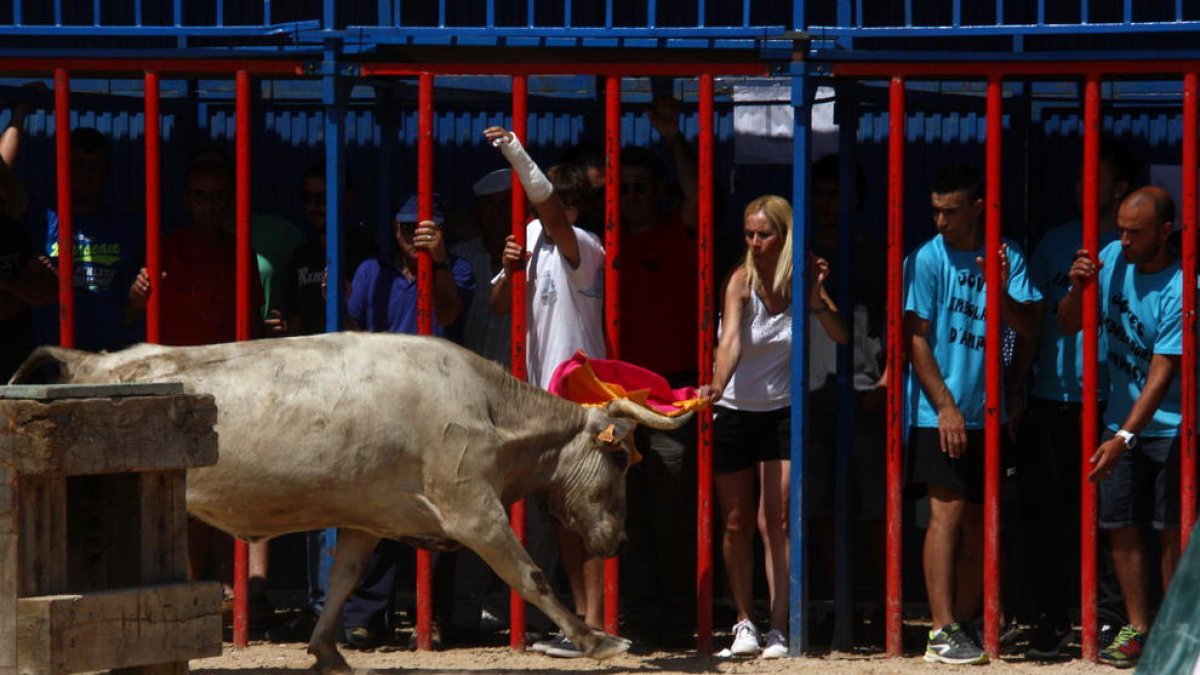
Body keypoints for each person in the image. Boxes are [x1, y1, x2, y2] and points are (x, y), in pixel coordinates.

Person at [904, 163, 1041, 665]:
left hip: (991, 413)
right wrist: (944, 408)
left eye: (951, 211)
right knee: (947, 514)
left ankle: (964, 624)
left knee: (985, 522)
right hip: (940, 413)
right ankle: (940, 630)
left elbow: (1028, 330)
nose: (940, 221)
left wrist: (998, 287)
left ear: (978, 208)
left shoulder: (1007, 258)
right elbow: (915, 339)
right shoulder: (926, 259)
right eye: (935, 211)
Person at [487, 126, 606, 658]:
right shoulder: (533, 240)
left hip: (582, 401)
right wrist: (509, 272)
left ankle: (596, 622)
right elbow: (497, 308)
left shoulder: (584, 245)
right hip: (540, 402)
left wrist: (514, 149)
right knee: (560, 515)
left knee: (590, 514)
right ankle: (578, 625)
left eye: (548, 205)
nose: (537, 215)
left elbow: (551, 214)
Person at [1015, 140, 1138, 659]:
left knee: (1112, 519)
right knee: (1048, 516)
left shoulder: (1133, 249)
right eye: (1078, 178)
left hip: (1110, 402)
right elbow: (1042, 325)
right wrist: (1017, 390)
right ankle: (1050, 617)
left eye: (1096, 178)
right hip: (1051, 396)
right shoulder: (1054, 243)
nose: (1082, 188)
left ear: (1119, 188)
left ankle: (1108, 621)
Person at [1057, 186, 1184, 669]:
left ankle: (1176, 629)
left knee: (1171, 530)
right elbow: (1067, 325)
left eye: (1136, 232)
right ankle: (1138, 628)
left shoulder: (1180, 284)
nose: (1124, 240)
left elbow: (1162, 372)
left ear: (1165, 232)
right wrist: (1077, 289)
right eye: (1122, 230)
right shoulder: (1110, 257)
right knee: (1121, 527)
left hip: (1172, 426)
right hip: (1119, 422)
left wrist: (1124, 437)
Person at [340, 197, 473, 648]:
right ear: (393, 231)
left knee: (438, 516)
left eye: (424, 229)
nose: (411, 236)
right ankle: (366, 617)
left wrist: (435, 262)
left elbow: (450, 313)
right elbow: (351, 332)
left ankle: (428, 614)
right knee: (376, 511)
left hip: (439, 408)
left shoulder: (457, 269)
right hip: (381, 406)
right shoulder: (370, 273)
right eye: (405, 229)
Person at [699, 195, 824, 659]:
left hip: (781, 411)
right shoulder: (740, 281)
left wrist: (817, 301)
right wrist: (715, 384)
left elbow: (840, 335)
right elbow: (729, 342)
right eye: (749, 234)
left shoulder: (801, 281)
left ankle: (779, 626)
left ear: (784, 235)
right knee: (734, 523)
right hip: (733, 408)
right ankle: (743, 621)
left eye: (764, 234)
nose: (755, 242)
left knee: (775, 519)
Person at [617, 95, 700, 647]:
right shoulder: (603, 242)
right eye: (622, 188)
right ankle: (641, 618)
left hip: (669, 392)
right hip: (615, 397)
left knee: (672, 511)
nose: (630, 198)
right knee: (625, 510)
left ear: (658, 190)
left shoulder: (678, 233)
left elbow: (697, 197)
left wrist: (674, 139)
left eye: (640, 187)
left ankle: (680, 618)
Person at [805, 154, 888, 644]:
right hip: (811, 393)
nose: (828, 204)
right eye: (820, 195)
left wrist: (886, 380)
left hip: (863, 394)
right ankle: (840, 611)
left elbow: (899, 324)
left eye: (836, 194)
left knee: (875, 510)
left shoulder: (872, 252)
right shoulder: (802, 254)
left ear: (855, 199)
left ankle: (883, 610)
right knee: (821, 511)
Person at [31, 128, 144, 352]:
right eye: (78, 164)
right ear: (64, 169)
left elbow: (132, 308)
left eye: (95, 166)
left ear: (107, 172)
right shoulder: (42, 217)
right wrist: (19, 115)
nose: (87, 173)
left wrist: (138, 300)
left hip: (107, 359)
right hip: (51, 359)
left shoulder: (128, 227)